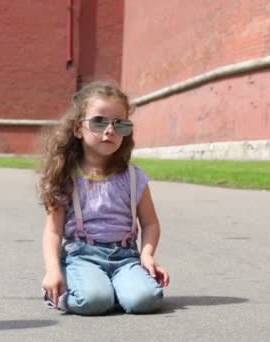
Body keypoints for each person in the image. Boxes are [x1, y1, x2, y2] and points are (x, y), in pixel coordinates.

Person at [39, 81, 170, 316]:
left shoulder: (133, 177)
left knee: (146, 300)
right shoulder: (66, 177)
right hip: (82, 256)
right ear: (78, 128)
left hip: (125, 257)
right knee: (94, 301)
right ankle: (63, 292)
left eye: (120, 124)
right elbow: (53, 231)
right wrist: (52, 269)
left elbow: (150, 223)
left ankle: (116, 289)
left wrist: (147, 255)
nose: (109, 130)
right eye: (99, 122)